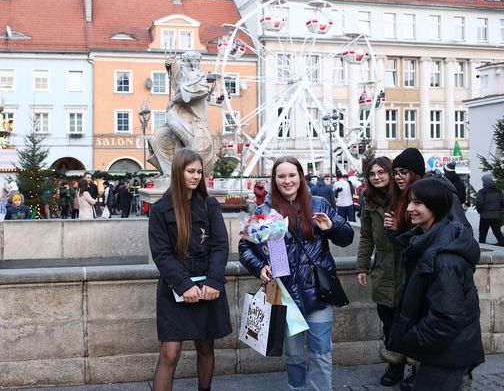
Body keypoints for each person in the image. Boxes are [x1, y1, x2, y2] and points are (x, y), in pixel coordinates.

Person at [239, 156, 354, 391]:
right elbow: (245, 247)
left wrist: (332, 226)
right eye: (281, 176)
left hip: (318, 291)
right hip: (284, 294)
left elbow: (347, 237)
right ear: (274, 180)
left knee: (321, 354)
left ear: (301, 177)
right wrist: (259, 267)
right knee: (293, 357)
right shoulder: (264, 210)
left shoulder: (320, 204)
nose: (287, 180)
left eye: (292, 175)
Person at [387, 178, 484, 390]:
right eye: (410, 202)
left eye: (418, 203)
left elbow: (447, 318)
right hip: (442, 351)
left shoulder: (444, 257)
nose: (410, 208)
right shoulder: (428, 240)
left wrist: (411, 338)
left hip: (445, 354)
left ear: (436, 206)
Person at [148, 148, 232, 391]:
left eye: (199, 172)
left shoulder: (209, 205)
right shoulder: (160, 209)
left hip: (207, 286)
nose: (195, 176)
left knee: (206, 347)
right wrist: (184, 285)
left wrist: (215, 281)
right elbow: (161, 254)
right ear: (178, 172)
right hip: (176, 287)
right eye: (190, 171)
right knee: (170, 353)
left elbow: (220, 245)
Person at [356, 157, 406, 386]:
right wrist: (362, 266)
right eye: (372, 173)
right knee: (388, 320)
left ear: (391, 173)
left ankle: (415, 366)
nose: (376, 177)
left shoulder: (407, 195)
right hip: (384, 267)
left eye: (381, 172)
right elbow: (366, 236)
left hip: (406, 264)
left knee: (410, 318)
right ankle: (395, 364)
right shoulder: (369, 201)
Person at [383, 147, 425, 388]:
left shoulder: (428, 195)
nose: (398, 177)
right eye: (395, 172)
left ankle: (419, 371)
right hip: (408, 272)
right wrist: (394, 230)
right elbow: (404, 245)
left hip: (424, 272)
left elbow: (422, 240)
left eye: (403, 172)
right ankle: (405, 368)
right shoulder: (398, 199)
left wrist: (398, 230)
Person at [476, 172, 504, 246]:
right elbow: (502, 203)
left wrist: (480, 212)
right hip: (496, 216)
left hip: (485, 216)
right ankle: (502, 245)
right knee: (498, 233)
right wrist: (498, 210)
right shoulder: (499, 191)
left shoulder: (482, 192)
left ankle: (481, 249)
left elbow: (479, 204)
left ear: (485, 181)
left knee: (482, 235)